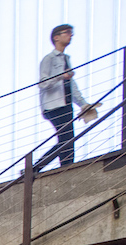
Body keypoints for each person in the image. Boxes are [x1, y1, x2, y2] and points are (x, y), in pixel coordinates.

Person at [36, 24, 96, 171]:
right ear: (56, 37)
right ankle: (37, 167)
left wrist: (83, 104)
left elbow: (70, 85)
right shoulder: (49, 59)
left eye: (71, 33)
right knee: (66, 138)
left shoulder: (66, 59)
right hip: (53, 105)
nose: (70, 35)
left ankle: (65, 167)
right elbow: (43, 83)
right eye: (67, 32)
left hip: (65, 103)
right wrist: (60, 76)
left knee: (68, 138)